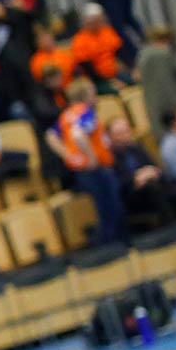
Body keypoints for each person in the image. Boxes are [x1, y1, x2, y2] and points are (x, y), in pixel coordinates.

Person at [51, 79, 125, 245]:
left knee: (103, 207)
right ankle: (113, 245)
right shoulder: (85, 112)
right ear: (85, 95)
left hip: (80, 169)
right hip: (96, 168)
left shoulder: (67, 115)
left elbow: (51, 136)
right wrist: (91, 156)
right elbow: (78, 135)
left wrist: (67, 154)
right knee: (111, 207)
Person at [134, 27, 176, 140]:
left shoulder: (141, 56)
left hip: (153, 104)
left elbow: (138, 77)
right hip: (173, 100)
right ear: (165, 39)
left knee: (165, 137)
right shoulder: (165, 53)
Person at [70, 3, 127, 88]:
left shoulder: (108, 31)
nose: (98, 23)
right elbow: (88, 68)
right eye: (94, 21)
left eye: (99, 20)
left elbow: (120, 52)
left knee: (133, 80)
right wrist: (110, 81)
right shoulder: (79, 40)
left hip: (116, 73)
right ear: (86, 22)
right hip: (96, 80)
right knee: (114, 89)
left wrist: (130, 67)